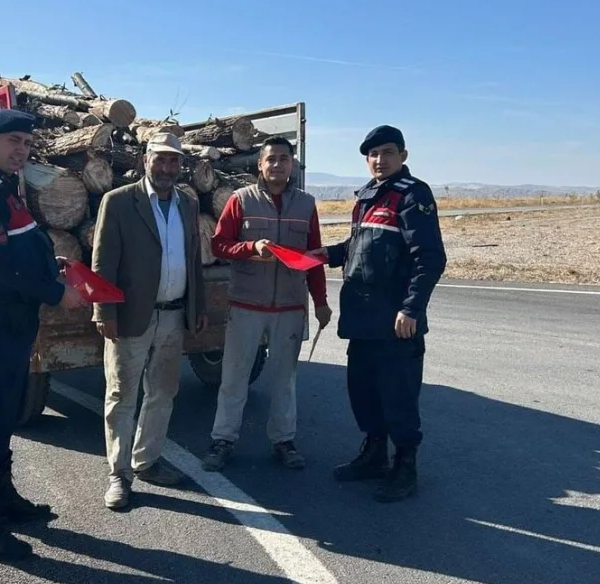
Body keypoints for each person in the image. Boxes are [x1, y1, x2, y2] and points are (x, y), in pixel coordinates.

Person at [0, 108, 87, 559]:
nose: (21, 150)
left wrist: (52, 265)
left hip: (11, 320)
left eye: (27, 143)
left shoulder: (5, 187)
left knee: (4, 416)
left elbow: (20, 246)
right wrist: (55, 291)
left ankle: (2, 501)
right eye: (13, 141)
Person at [309, 125, 446, 502]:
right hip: (363, 318)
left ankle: (405, 466)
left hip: (395, 321)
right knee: (364, 392)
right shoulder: (368, 197)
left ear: (403, 155)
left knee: (398, 394)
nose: (379, 160)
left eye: (387, 152)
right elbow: (360, 246)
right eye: (373, 154)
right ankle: (374, 454)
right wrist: (328, 254)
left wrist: (411, 308)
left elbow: (430, 258)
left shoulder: (412, 195)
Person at [91, 132, 207, 510]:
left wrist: (198, 306)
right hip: (130, 316)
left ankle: (147, 461)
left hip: (174, 316)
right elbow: (103, 262)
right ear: (145, 159)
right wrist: (103, 311)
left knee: (162, 392)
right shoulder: (120, 201)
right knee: (121, 397)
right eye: (160, 159)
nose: (167, 168)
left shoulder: (188, 204)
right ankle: (118, 475)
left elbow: (192, 260)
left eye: (173, 161)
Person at [200, 136, 331, 472]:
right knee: (234, 376)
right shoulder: (240, 200)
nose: (277, 165)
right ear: (259, 164)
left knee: (285, 378)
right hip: (246, 304)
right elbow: (218, 246)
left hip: (289, 307)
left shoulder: (306, 205)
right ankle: (223, 440)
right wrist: (249, 248)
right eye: (270, 159)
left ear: (292, 164)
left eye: (283, 159)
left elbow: (314, 257)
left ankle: (284, 440)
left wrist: (320, 302)